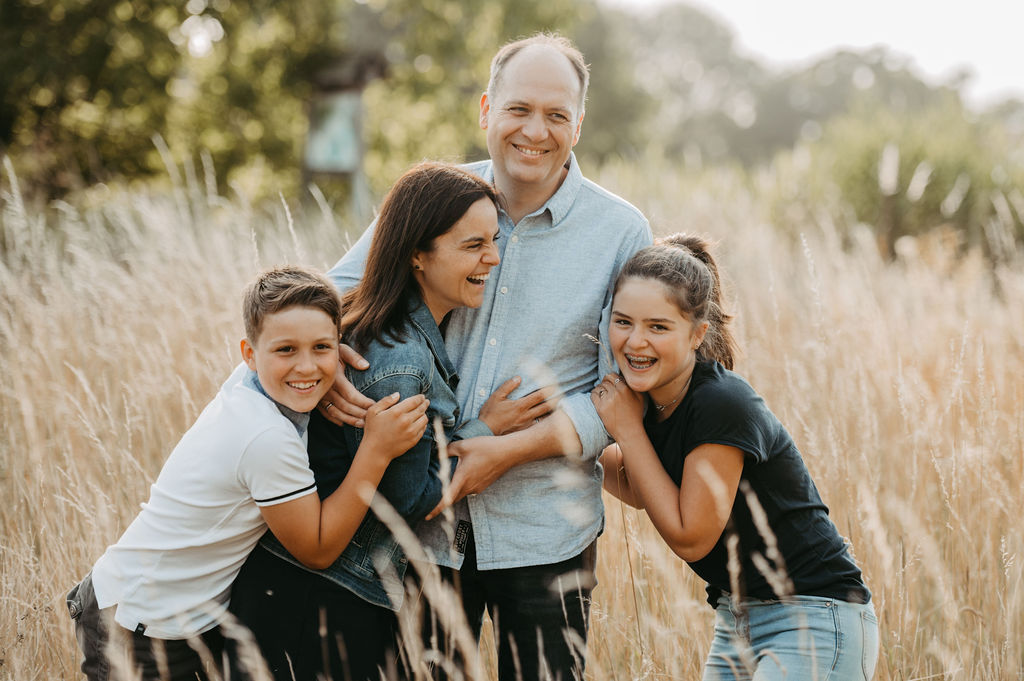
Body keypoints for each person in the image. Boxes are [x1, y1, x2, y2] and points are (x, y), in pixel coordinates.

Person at [325, 33, 652, 681]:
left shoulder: (620, 232)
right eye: (519, 109)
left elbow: (627, 391)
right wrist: (331, 360)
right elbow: (338, 293)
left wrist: (509, 449)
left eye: (557, 115)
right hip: (421, 533)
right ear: (485, 110)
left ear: (579, 125)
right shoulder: (434, 198)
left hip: (547, 531)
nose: (537, 130)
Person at [229, 163, 541, 681]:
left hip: (299, 586)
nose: (494, 257)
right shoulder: (401, 362)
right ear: (417, 253)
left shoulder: (380, 328)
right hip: (322, 597)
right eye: (473, 246)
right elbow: (406, 499)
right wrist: (484, 431)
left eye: (494, 240)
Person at [65, 266, 428, 681]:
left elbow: (302, 344)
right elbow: (318, 548)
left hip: (172, 615)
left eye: (321, 347)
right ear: (250, 354)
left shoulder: (249, 385)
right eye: (286, 350)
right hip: (138, 620)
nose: (306, 366)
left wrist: (315, 361)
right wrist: (376, 451)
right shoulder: (265, 438)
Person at [591, 234, 879, 681]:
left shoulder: (720, 404)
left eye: (658, 327)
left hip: (812, 618)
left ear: (697, 334)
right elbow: (642, 484)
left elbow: (691, 535)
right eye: (623, 322)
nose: (635, 341)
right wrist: (572, 448)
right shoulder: (657, 401)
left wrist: (626, 429)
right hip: (736, 619)